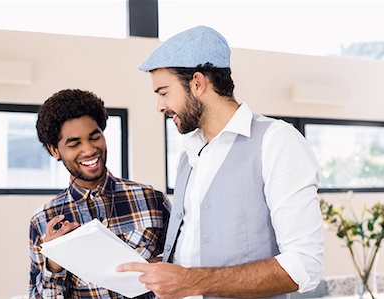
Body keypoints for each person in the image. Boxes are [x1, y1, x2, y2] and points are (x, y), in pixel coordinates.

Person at [116, 26, 324, 299]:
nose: (159, 106)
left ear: (197, 83)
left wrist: (191, 281)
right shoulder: (188, 154)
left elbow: (305, 265)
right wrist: (163, 270)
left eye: (164, 92)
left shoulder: (277, 141)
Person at [29, 89, 171, 298]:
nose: (89, 150)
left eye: (95, 137)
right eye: (74, 143)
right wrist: (54, 265)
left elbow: (184, 272)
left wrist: (161, 268)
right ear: (54, 150)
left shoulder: (153, 200)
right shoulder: (43, 221)